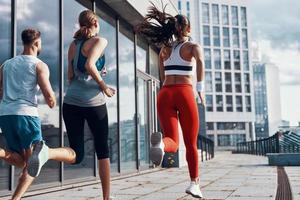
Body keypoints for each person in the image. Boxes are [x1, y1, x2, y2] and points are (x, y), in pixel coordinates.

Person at [136, 5, 205, 199]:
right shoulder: (193, 47)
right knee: (191, 143)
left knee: (172, 141)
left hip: (165, 93)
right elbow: (200, 63)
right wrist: (200, 90)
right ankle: (194, 184)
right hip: (184, 92)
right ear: (188, 29)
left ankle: (161, 146)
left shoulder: (165, 49)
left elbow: (161, 75)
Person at [0, 28, 76, 200]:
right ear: (36, 43)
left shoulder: (6, 64)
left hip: (5, 115)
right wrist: (52, 102)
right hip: (26, 115)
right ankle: (16, 199)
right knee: (34, 163)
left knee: (21, 161)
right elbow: (48, 94)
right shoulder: (39, 65)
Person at [63, 10, 115, 200]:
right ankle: (106, 198)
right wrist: (103, 86)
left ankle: (47, 152)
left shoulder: (73, 45)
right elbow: (89, 66)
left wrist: (96, 74)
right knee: (102, 151)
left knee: (76, 154)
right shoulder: (100, 41)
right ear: (95, 23)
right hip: (93, 103)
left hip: (70, 102)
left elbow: (70, 76)